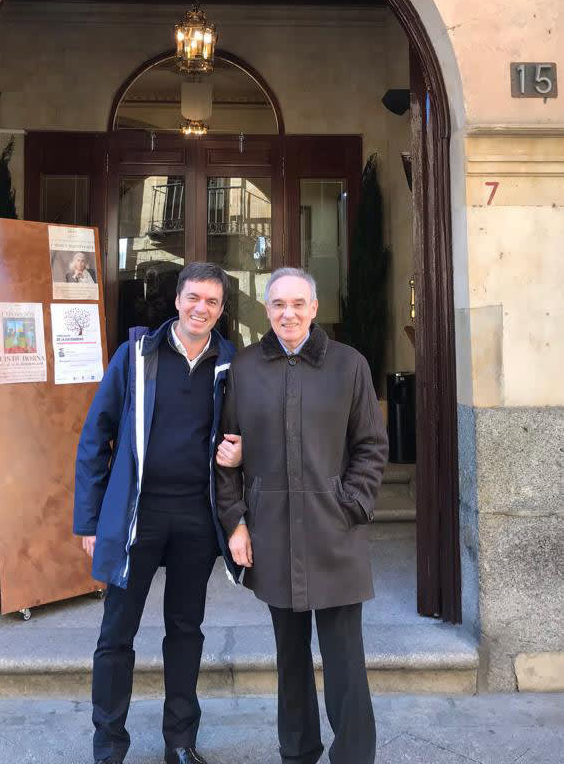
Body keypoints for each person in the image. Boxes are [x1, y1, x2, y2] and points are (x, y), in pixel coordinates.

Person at [216, 267, 388, 764]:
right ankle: (297, 752)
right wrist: (236, 522)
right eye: (277, 305)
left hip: (335, 534)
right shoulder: (245, 369)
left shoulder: (348, 365)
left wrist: (349, 503)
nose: (287, 313)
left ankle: (354, 756)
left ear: (314, 308)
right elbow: (226, 452)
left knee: (345, 662)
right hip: (272, 535)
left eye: (297, 304)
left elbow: (372, 447)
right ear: (266, 311)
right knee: (289, 660)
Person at [74, 262, 243, 764]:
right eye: (193, 297)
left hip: (196, 518)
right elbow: (94, 436)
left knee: (186, 632)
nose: (200, 308)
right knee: (116, 633)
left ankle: (181, 742)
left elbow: (248, 431)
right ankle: (109, 745)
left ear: (220, 309)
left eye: (212, 301)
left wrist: (242, 452)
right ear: (177, 300)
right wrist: (89, 520)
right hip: (135, 517)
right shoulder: (136, 356)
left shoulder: (230, 362)